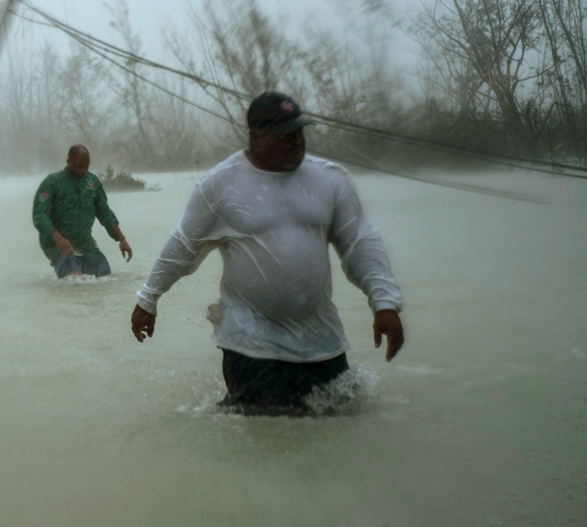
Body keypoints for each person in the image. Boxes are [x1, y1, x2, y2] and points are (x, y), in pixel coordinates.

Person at [129, 92, 405, 416]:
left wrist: (384, 303)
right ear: (255, 136)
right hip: (249, 341)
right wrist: (148, 299)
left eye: (299, 133)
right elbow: (183, 247)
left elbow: (360, 243)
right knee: (266, 435)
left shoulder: (330, 179)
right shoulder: (220, 185)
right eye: (284, 136)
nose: (296, 142)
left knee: (341, 425)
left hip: (320, 338)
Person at [32, 144, 132, 277]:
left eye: (86, 166)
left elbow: (105, 212)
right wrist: (58, 238)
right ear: (68, 161)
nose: (83, 170)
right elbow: (39, 215)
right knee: (75, 281)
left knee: (106, 277)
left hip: (85, 242)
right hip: (57, 243)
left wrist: (121, 238)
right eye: (79, 166)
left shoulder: (92, 183)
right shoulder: (52, 183)